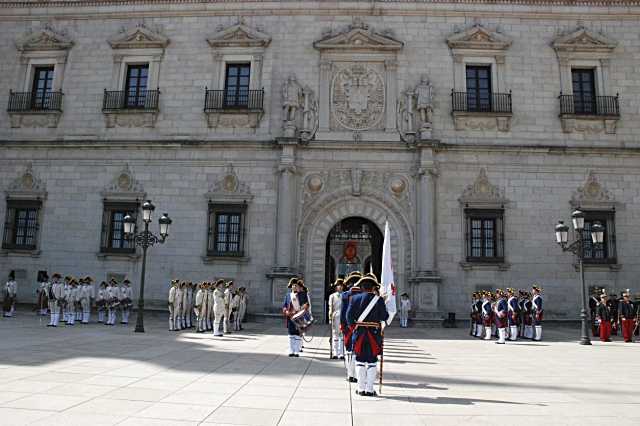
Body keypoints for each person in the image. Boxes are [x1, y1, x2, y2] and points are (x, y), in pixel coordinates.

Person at [346, 274, 389, 397]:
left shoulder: (354, 299)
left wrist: (355, 328)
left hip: (359, 334)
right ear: (373, 287)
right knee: (372, 361)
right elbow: (384, 317)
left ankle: (360, 388)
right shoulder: (379, 300)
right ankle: (369, 389)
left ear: (362, 287)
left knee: (359, 360)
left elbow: (349, 317)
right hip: (374, 335)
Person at [340, 271, 363, 381]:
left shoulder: (345, 295)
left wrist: (342, 325)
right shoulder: (363, 294)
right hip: (361, 326)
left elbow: (343, 313)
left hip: (348, 326)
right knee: (357, 350)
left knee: (349, 350)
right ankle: (357, 374)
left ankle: (350, 374)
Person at [282, 278, 309, 357]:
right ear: (291, 286)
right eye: (293, 285)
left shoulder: (303, 294)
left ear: (298, 286)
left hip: (299, 317)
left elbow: (307, 305)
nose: (294, 286)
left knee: (297, 334)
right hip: (290, 317)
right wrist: (286, 311)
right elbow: (284, 305)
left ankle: (296, 351)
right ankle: (291, 350)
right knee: (291, 334)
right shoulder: (288, 295)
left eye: (296, 285)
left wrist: (302, 308)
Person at [328, 278, 345, 359]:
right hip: (335, 315)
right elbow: (330, 308)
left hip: (343, 316)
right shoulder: (332, 296)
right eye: (338, 286)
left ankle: (341, 353)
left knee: (342, 335)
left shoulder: (345, 295)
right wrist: (330, 318)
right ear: (336, 287)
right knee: (335, 334)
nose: (340, 287)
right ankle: (335, 352)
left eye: (341, 286)